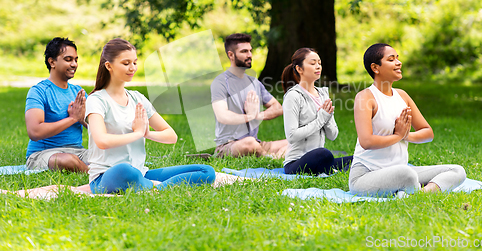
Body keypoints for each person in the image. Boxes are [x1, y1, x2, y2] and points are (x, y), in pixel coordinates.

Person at [86, 38, 215, 194]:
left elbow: (171, 136)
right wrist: (137, 134)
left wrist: (147, 133)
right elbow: (102, 141)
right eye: (126, 63)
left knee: (206, 171)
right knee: (126, 171)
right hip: (106, 177)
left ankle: (152, 187)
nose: (132, 68)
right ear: (109, 66)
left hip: (141, 172)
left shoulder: (137, 98)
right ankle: (152, 186)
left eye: (135, 62)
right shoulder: (96, 100)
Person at [349, 43, 466, 196]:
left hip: (400, 169)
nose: (399, 62)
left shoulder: (402, 96)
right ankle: (413, 191)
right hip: (366, 175)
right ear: (375, 68)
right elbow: (366, 142)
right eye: (391, 59)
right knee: (407, 174)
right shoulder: (365, 97)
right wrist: (397, 136)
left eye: (397, 58)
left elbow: (428, 133)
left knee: (457, 170)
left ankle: (420, 193)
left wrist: (406, 135)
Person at [211, 33, 288, 158]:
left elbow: (278, 108)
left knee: (298, 141)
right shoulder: (220, 83)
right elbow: (222, 116)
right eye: (244, 51)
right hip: (228, 146)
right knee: (249, 143)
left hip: (256, 142)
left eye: (250, 51)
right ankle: (272, 158)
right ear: (231, 55)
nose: (249, 55)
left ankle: (272, 155)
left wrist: (258, 115)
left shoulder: (254, 83)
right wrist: (249, 116)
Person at [281, 48, 353, 175]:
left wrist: (328, 118)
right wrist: (321, 119)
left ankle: (331, 170)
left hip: (321, 159)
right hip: (296, 163)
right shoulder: (293, 96)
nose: (318, 66)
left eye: (319, 63)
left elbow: (333, 135)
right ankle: (334, 171)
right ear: (299, 69)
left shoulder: (323, 94)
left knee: (358, 159)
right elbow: (291, 136)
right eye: (313, 63)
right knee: (323, 153)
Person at [25, 37, 89, 172]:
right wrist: (72, 119)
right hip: (44, 154)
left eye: (76, 60)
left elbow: (99, 129)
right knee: (68, 160)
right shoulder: (38, 91)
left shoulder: (78, 92)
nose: (74, 64)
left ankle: (88, 168)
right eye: (68, 59)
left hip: (78, 152)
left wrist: (83, 120)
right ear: (52, 62)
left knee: (114, 154)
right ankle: (93, 174)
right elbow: (34, 132)